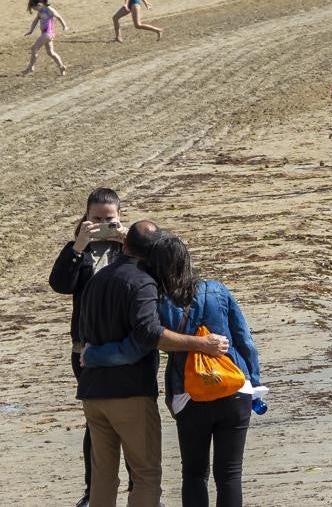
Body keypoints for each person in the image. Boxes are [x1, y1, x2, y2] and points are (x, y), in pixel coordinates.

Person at [83, 234, 261, 507]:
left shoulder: (160, 301)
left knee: (193, 474)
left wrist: (94, 355)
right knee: (230, 475)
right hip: (234, 388)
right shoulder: (217, 289)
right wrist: (255, 384)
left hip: (187, 394)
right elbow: (245, 340)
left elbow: (142, 343)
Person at [49, 188, 127, 507]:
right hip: (86, 351)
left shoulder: (133, 247)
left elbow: (158, 276)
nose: (103, 226)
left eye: (110, 219)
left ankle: (143, 490)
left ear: (120, 217)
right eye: (96, 219)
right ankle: (93, 491)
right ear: (85, 219)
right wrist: (78, 245)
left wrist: (130, 242)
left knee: (137, 422)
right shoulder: (78, 250)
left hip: (130, 347)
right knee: (97, 422)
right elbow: (60, 285)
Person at [22, 0, 69, 76]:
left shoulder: (49, 9)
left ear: (39, 4)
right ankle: (61, 66)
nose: (34, 10)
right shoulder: (40, 11)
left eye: (34, 8)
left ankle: (31, 67)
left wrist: (64, 26)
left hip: (48, 33)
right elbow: (35, 21)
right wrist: (31, 31)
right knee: (50, 52)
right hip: (45, 34)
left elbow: (59, 17)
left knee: (34, 49)